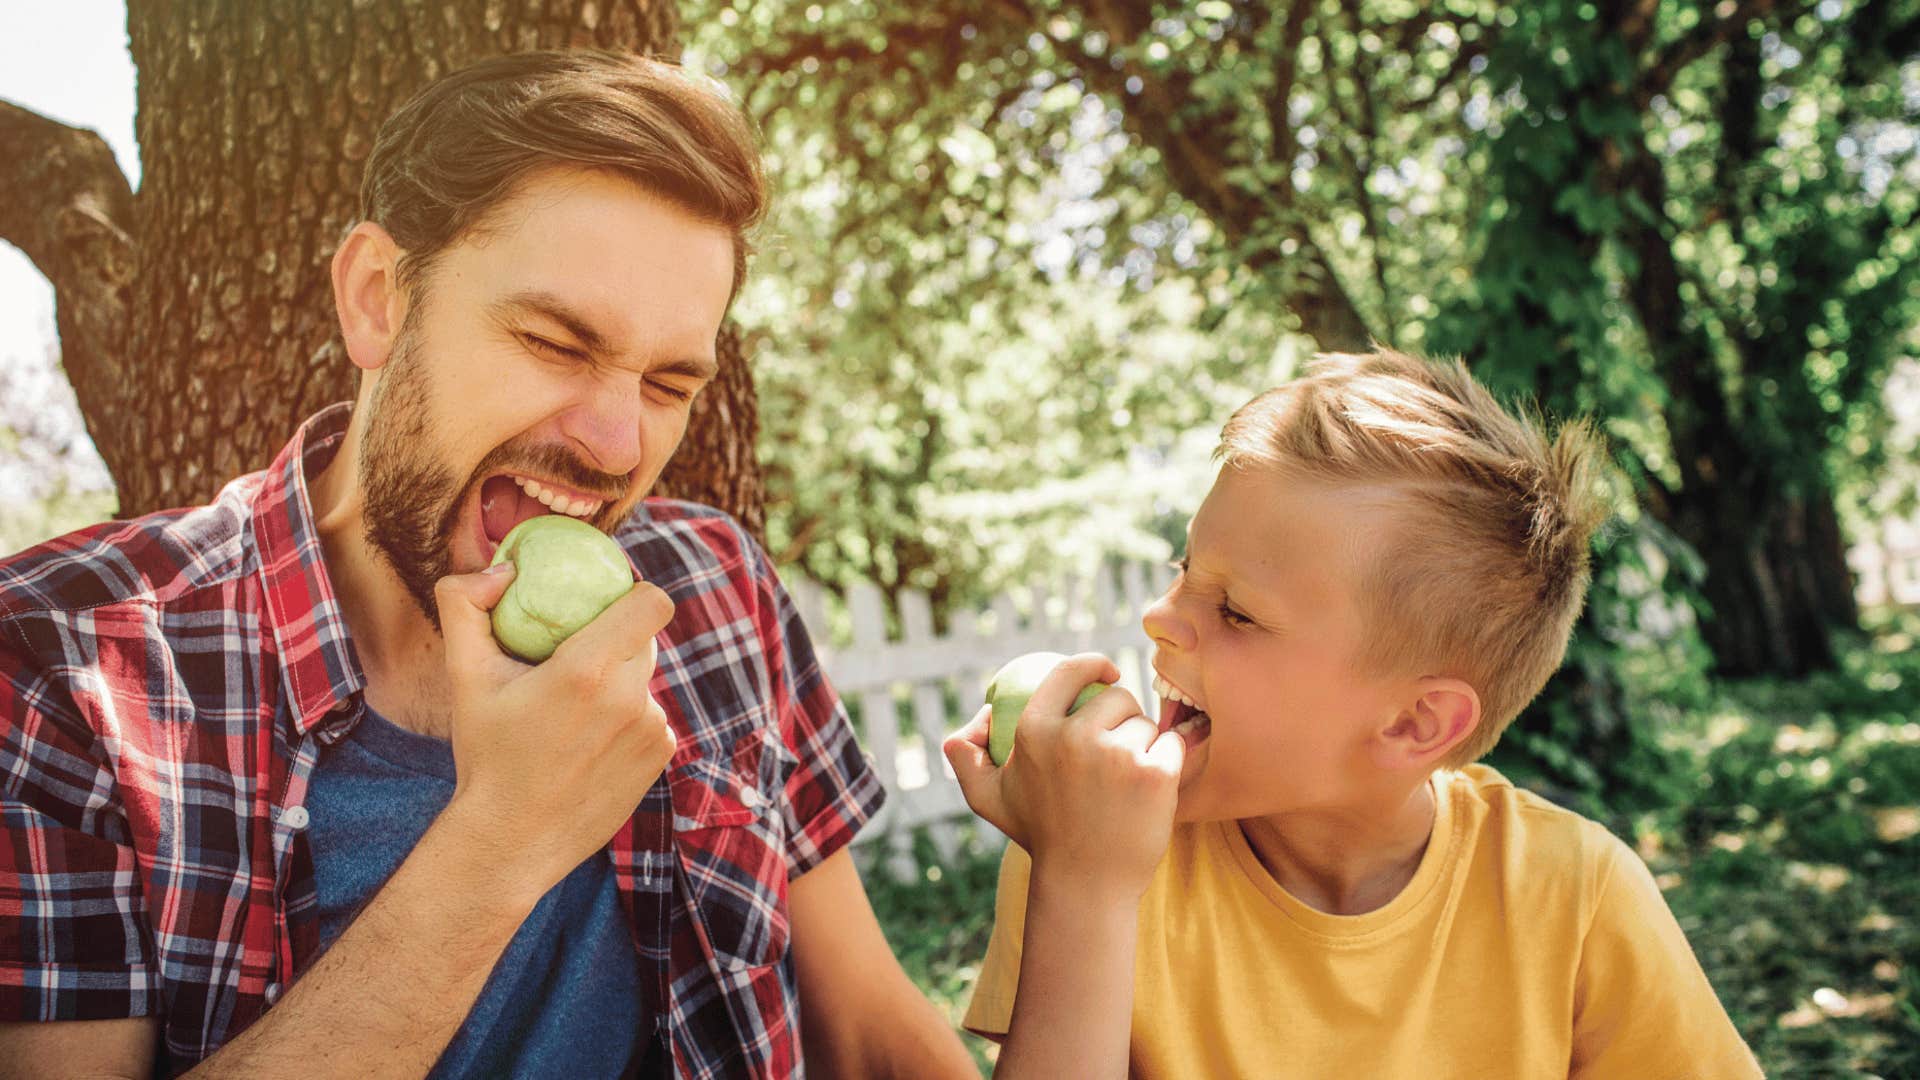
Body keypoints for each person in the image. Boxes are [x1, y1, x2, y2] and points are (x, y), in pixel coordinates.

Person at [0, 50, 976, 1079]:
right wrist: (501, 843)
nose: (613, 442)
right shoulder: (55, 667)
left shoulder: (715, 588)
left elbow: (869, 1038)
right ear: (378, 297)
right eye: (556, 342)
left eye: (668, 382)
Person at [945, 347, 1764, 1078]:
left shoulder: (1574, 897)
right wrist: (1083, 889)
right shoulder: (1093, 852)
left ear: (1414, 724)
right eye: (1184, 567)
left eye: (1235, 611)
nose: (1162, 616)